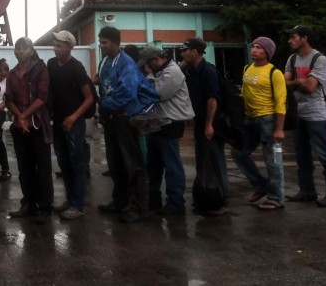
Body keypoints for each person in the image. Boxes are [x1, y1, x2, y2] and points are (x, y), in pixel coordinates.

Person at [97, 26, 159, 223]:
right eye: (100, 42)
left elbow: (127, 92)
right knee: (115, 163)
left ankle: (140, 207)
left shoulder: (127, 64)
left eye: (105, 42)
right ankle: (120, 201)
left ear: (116, 43)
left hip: (125, 118)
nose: (101, 46)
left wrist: (104, 104)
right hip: (112, 118)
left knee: (133, 164)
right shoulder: (105, 61)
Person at [282, 26, 326, 207]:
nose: (289, 40)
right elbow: (283, 84)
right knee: (301, 155)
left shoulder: (319, 59)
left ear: (304, 38)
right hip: (297, 114)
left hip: (317, 114)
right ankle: (307, 190)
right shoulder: (292, 59)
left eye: (293, 37)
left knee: (325, 152)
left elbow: (310, 87)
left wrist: (297, 83)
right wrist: (298, 81)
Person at [139, 47, 195, 216]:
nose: (147, 68)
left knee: (171, 164)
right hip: (157, 122)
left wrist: (148, 77)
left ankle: (176, 202)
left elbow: (156, 93)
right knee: (153, 164)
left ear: (156, 60)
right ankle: (153, 199)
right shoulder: (162, 71)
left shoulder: (173, 72)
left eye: (148, 64)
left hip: (171, 122)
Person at [233, 36, 287, 210]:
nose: (254, 50)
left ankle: (276, 197)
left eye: (259, 48)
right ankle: (260, 184)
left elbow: (281, 101)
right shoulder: (247, 68)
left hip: (268, 120)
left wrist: (279, 128)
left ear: (267, 53)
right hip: (250, 120)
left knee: (273, 160)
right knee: (238, 153)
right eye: (253, 47)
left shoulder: (274, 73)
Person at [5, 38, 53, 223]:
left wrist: (24, 116)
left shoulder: (41, 70)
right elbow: (8, 99)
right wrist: (20, 116)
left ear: (32, 51)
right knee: (24, 168)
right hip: (20, 124)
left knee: (43, 167)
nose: (20, 51)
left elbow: (42, 98)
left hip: (37, 124)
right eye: (17, 48)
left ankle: (45, 207)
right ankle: (29, 204)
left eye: (24, 48)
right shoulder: (12, 74)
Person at [48, 31, 94, 220]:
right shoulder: (51, 64)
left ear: (69, 47)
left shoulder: (77, 68)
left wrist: (73, 117)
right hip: (57, 121)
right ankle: (69, 199)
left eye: (59, 45)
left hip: (74, 123)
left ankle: (78, 205)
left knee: (77, 163)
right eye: (55, 44)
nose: (55, 48)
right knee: (63, 162)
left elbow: (89, 98)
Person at [181, 37, 229, 215]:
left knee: (216, 161)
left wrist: (209, 125)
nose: (183, 53)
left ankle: (223, 199)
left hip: (212, 123)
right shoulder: (191, 70)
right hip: (200, 122)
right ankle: (205, 197)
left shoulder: (208, 71)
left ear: (194, 52)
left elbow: (212, 99)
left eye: (186, 50)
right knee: (202, 161)